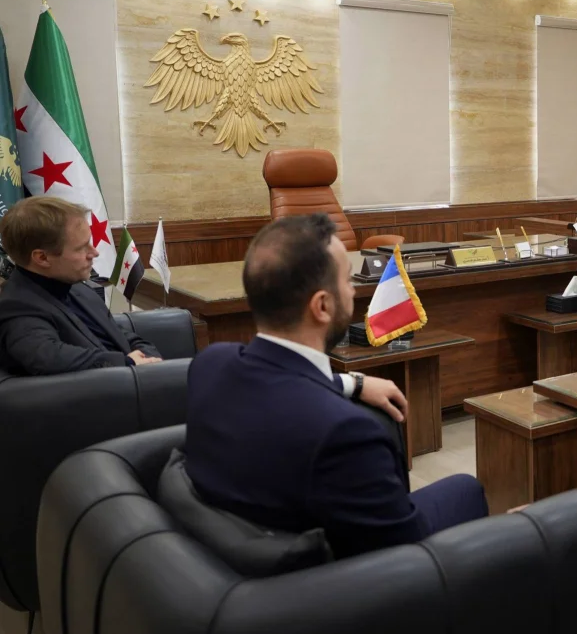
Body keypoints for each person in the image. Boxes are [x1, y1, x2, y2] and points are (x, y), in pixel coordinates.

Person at [184, 214, 487, 558]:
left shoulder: (208, 365)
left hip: (244, 556)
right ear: (323, 306)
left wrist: (353, 382)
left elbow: (282, 378)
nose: (354, 290)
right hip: (355, 581)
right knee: (466, 489)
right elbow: (405, 553)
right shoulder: (345, 433)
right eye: (347, 280)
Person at [0, 196, 164, 374]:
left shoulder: (77, 287)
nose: (94, 252)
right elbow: (48, 358)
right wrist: (127, 363)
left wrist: (149, 358)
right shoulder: (17, 307)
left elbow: (121, 335)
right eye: (81, 248)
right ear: (42, 258)